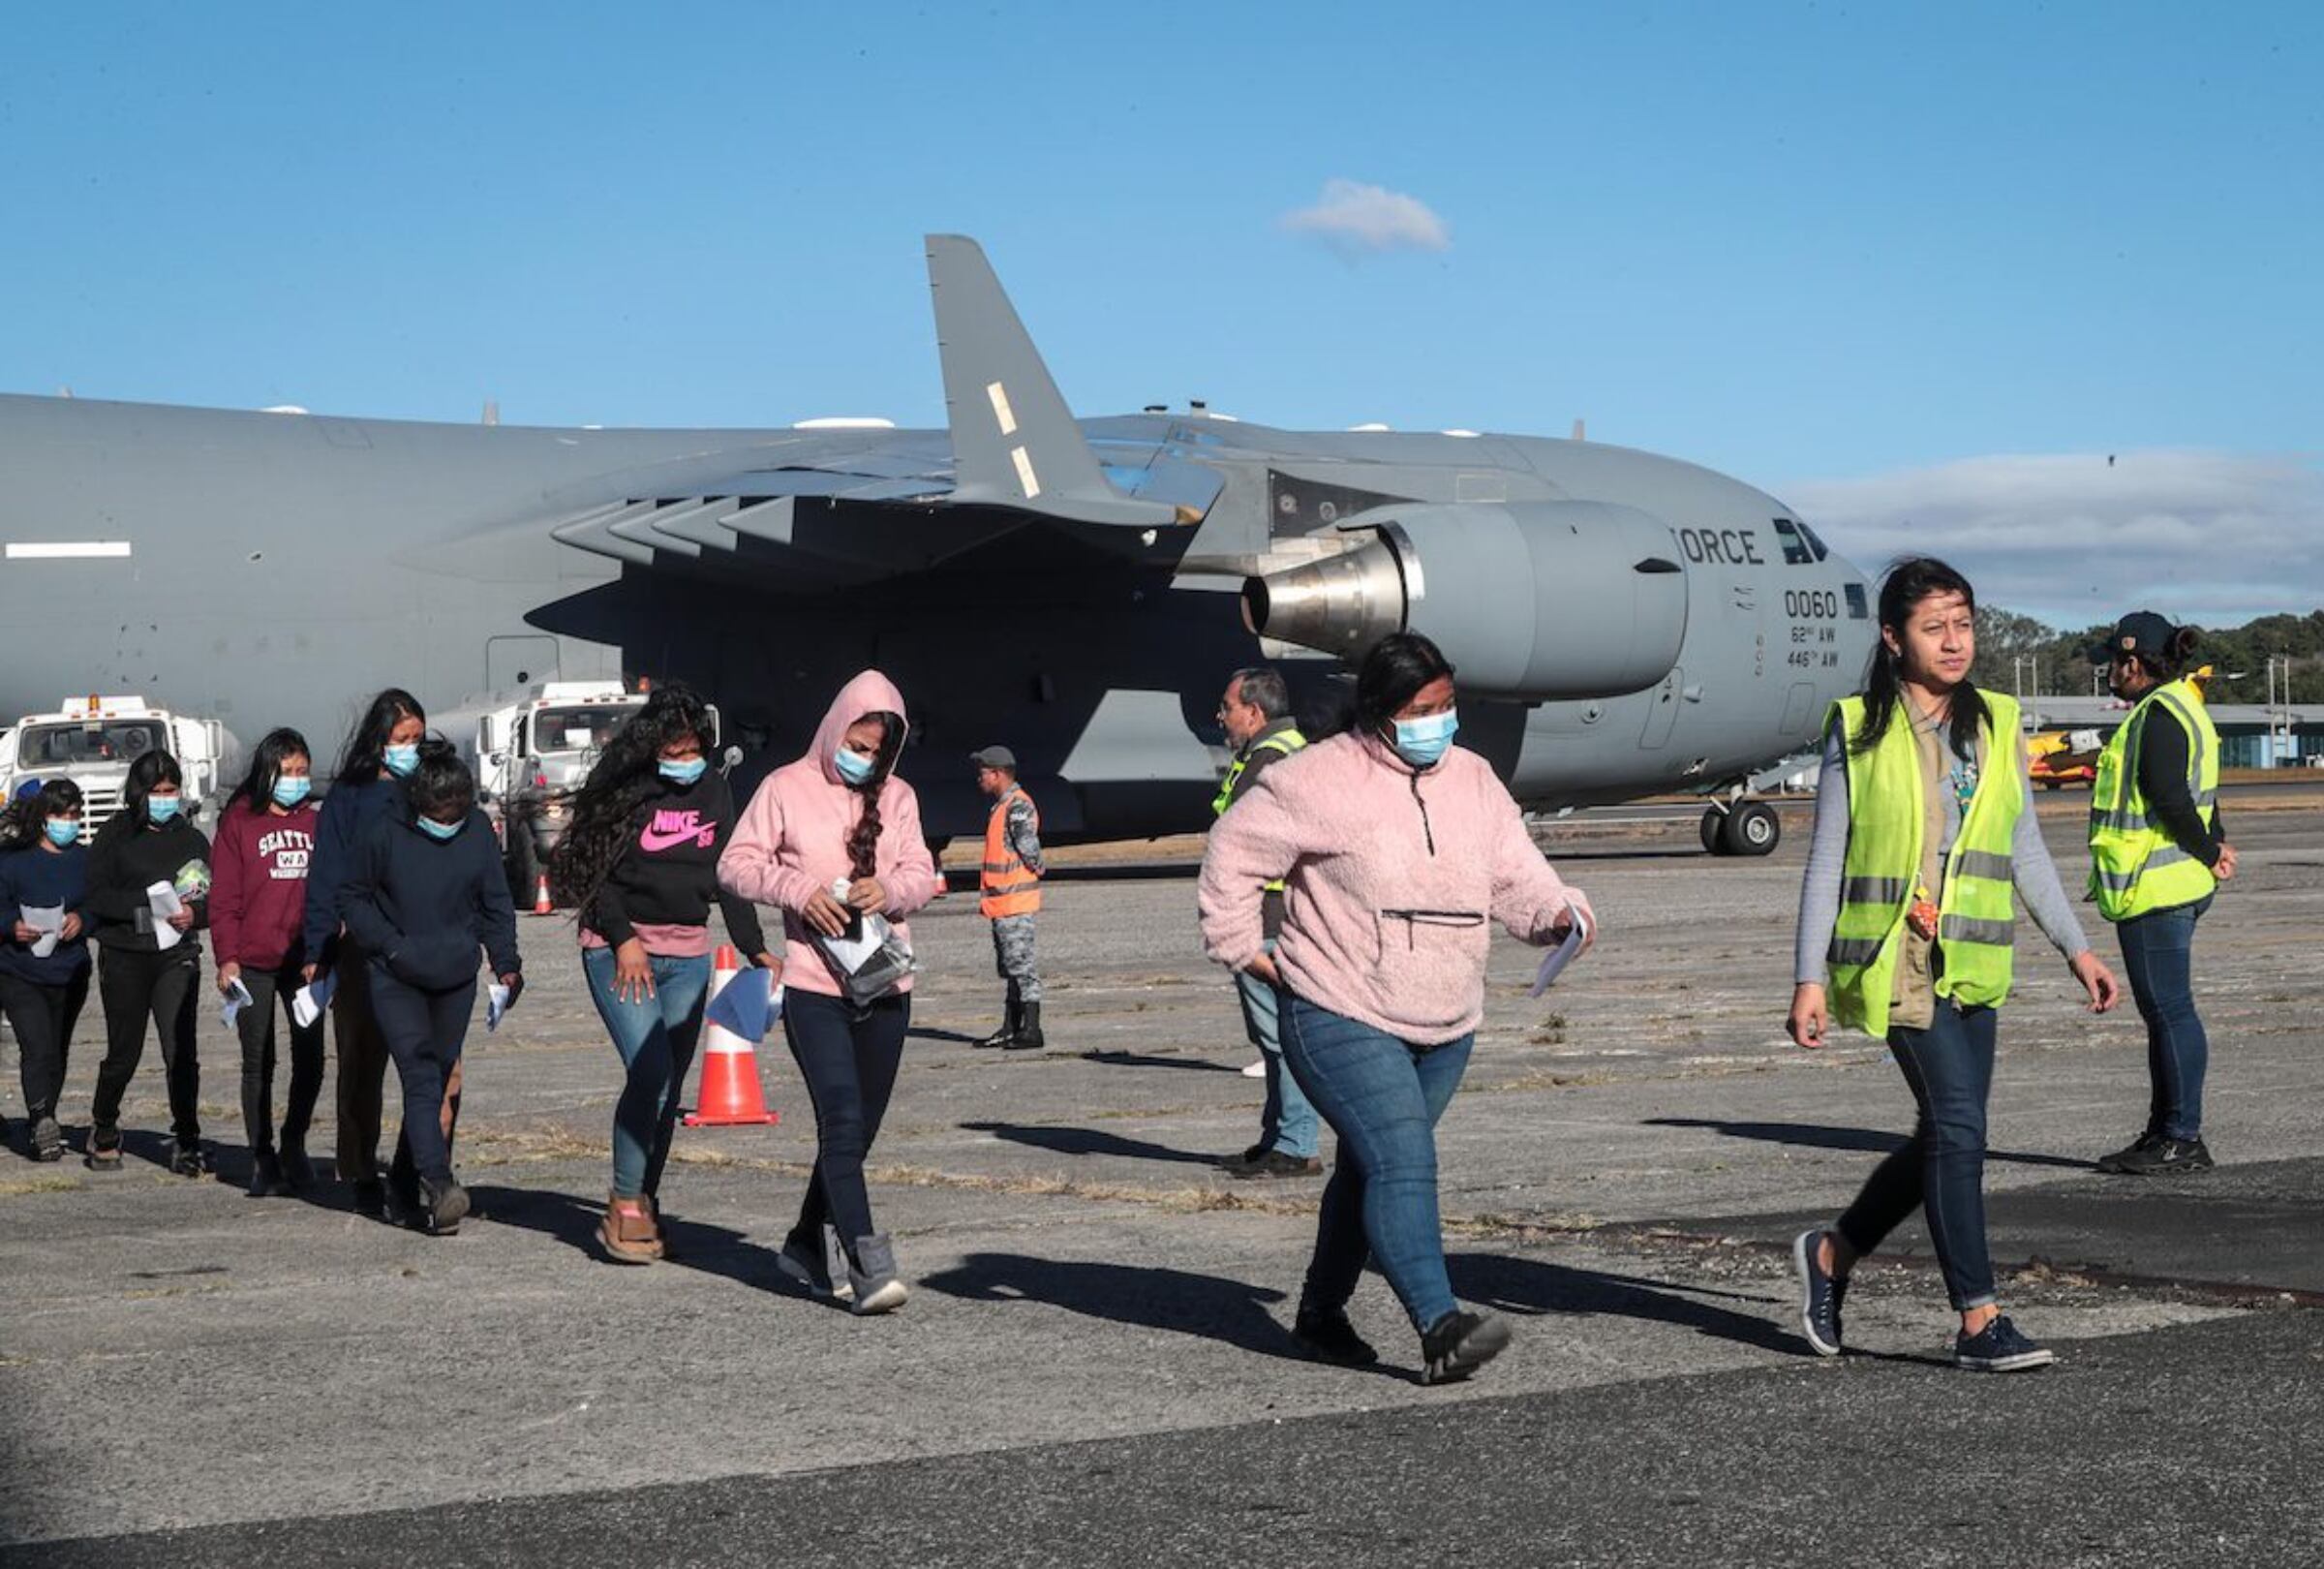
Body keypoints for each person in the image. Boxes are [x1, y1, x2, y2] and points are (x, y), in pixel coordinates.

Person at [1200, 632, 1593, 1384]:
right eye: (1421, 709)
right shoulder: (1317, 778)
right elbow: (1232, 853)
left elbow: (1518, 874)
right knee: (1405, 1158)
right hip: (1337, 1006)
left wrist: (1559, 916)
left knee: (1370, 1167)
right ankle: (1441, 1325)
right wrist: (1244, 947)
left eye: (1447, 706)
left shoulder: (1474, 780)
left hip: (1447, 1021)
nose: (1439, 722)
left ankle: (1319, 1316)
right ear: (1380, 711)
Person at [1788, 556, 2120, 1372]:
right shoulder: (1859, 727)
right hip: (1894, 960)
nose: (1953, 641)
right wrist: (1806, 977)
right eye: (1934, 627)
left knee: (1945, 1131)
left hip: (1974, 959)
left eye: (1963, 623)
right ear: (1894, 638)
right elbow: (1827, 855)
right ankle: (1978, 1320)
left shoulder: (1998, 722)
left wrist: (2076, 947)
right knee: (1962, 1130)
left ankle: (1832, 1253)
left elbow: (2024, 847)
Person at [719, 671, 941, 1314]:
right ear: (834, 727)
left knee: (856, 1137)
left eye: (877, 750)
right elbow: (734, 864)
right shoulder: (783, 787)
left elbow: (923, 873)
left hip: (885, 984)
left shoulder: (898, 797)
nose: (864, 758)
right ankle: (869, 1264)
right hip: (814, 987)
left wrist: (891, 891)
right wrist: (797, 892)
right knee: (840, 1122)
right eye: (857, 742)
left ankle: (803, 1245)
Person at [548, 684, 778, 1264]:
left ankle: (643, 1198)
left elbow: (730, 874)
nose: (682, 761)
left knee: (667, 1088)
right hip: (620, 948)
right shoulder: (624, 789)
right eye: (671, 752)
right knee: (649, 1071)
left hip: (688, 954)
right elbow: (592, 874)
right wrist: (624, 940)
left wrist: (755, 949)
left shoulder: (716, 790)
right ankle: (624, 1201)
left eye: (691, 749)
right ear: (651, 747)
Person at [339, 741, 521, 1236]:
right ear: (418, 803)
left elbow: (495, 902)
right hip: (396, 976)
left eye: (457, 811)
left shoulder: (478, 830)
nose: (448, 820)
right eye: (439, 811)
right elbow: (352, 899)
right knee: (419, 1076)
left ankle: (402, 1181)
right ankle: (440, 1186)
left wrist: (506, 963)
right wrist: (389, 947)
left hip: (455, 975)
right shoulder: (383, 832)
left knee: (439, 1078)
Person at [2085, 611, 2233, 1176]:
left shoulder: (2157, 716)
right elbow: (2204, 794)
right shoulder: (2184, 706)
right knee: (2165, 1014)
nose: (2108, 675)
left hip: (2156, 888)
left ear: (2134, 661)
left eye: (2112, 664)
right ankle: (2163, 1131)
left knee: (2170, 1012)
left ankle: (2182, 1137)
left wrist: (2207, 848)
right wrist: (2215, 842)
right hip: (2177, 885)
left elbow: (2170, 796)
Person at [305, 688, 431, 1217]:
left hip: (421, 944)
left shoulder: (428, 789)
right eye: (402, 740)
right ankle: (359, 1170)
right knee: (359, 1063)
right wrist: (317, 948)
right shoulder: (348, 798)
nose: (411, 749)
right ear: (378, 741)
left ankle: (411, 1170)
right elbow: (325, 875)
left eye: (418, 740)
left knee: (428, 1069)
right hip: (359, 948)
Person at [1208, 666, 1319, 1179]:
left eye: (1227, 707)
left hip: (1268, 920)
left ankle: (1294, 1144)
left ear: (1254, 713)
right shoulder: (1281, 753)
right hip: (1271, 916)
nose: (1221, 716)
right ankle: (1278, 1136)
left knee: (1280, 1037)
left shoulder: (1271, 760)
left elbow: (1251, 844)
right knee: (1273, 1036)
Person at [82, 751, 213, 1174]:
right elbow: (96, 896)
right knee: (125, 1051)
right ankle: (104, 1124)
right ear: (139, 793)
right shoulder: (115, 835)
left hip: (176, 955)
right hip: (125, 955)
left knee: (180, 1051)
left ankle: (188, 1137)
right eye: (156, 791)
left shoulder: (193, 840)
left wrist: (194, 914)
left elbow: (215, 900)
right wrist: (146, 905)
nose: (164, 798)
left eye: (170, 791)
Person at [211, 728, 325, 1197]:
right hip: (252, 963)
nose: (297, 780)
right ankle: (262, 1155)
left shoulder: (315, 823)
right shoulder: (239, 823)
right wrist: (227, 958)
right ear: (268, 772)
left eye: (303, 772)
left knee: (312, 1058)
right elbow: (223, 900)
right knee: (258, 1060)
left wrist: (323, 951)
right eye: (288, 772)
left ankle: (293, 1141)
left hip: (303, 964)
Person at [0, 779, 92, 1162]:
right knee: (36, 1046)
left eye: (73, 815)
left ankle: (47, 1115)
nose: (66, 823)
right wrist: (11, 926)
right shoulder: (12, 860)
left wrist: (82, 919)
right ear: (43, 817)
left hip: (69, 970)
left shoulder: (87, 861)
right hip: (19, 970)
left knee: (56, 1050)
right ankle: (39, 1118)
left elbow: (102, 905)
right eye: (59, 815)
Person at [968, 745, 1046, 1052]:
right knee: (1011, 967)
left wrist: (1038, 867)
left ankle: (1032, 1029)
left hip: (1014, 903)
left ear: (997, 773)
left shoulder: (1017, 806)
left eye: (983, 773)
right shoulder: (1004, 805)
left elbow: (1028, 846)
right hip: (1003, 904)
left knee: (1022, 968)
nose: (980, 779)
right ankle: (1012, 1027)